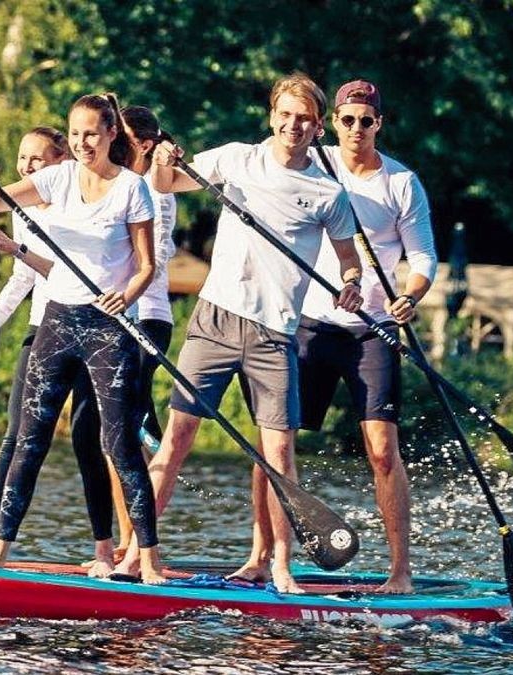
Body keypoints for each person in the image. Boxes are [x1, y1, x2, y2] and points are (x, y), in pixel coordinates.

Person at [116, 73, 364, 593]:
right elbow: (165, 185)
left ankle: (279, 568)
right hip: (215, 320)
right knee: (175, 442)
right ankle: (136, 556)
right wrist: (162, 163)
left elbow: (349, 261)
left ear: (318, 128)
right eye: (286, 115)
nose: (293, 125)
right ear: (272, 115)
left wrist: (351, 284)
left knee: (278, 458)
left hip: (276, 334)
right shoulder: (234, 159)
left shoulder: (327, 192)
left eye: (304, 119)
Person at [0, 93, 167, 584]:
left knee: (118, 445)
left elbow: (147, 266)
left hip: (109, 329)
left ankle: (150, 558)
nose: (81, 142)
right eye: (74, 133)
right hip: (57, 322)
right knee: (29, 441)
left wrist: (127, 295)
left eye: (91, 134)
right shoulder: (55, 178)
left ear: (110, 135)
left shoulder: (131, 190)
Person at [0, 127, 120, 577]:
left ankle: (105, 552)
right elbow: (22, 278)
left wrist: (20, 250)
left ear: (59, 162)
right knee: (17, 439)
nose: (26, 167)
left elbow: (57, 265)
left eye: (36, 159)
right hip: (43, 329)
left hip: (92, 329)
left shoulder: (82, 200)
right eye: (21, 158)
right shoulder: (23, 207)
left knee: (90, 441)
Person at [301, 79, 437, 593]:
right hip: (311, 323)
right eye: (348, 120)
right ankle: (266, 559)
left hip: (372, 332)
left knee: (382, 450)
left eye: (367, 120)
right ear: (332, 122)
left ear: (379, 123)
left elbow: (422, 256)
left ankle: (400, 571)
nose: (357, 129)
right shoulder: (313, 166)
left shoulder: (401, 183)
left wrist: (412, 294)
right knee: (279, 442)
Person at [106, 105, 178, 555]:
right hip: (113, 318)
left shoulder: (157, 188)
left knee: (128, 431)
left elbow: (158, 255)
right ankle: (126, 540)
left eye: (124, 139)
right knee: (112, 437)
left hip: (148, 316)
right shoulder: (108, 183)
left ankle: (139, 545)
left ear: (146, 145)